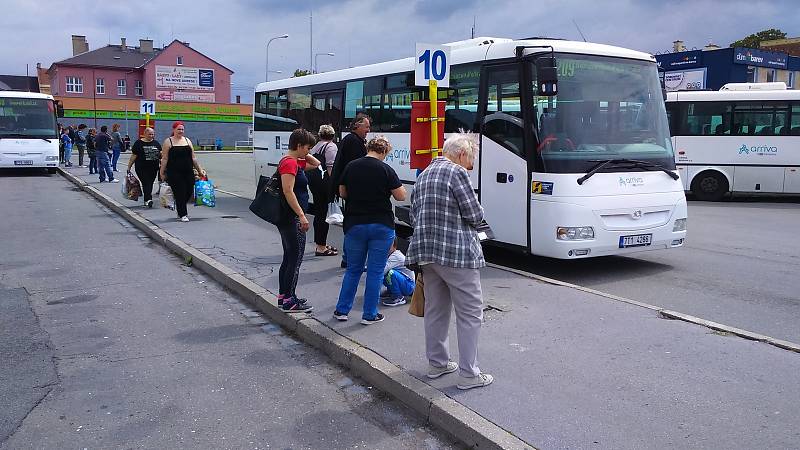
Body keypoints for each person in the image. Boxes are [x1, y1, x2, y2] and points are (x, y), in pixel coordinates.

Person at [406, 133, 493, 390]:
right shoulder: (456, 173)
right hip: (456, 254)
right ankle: (469, 375)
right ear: (463, 154)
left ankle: (438, 364)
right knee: (470, 313)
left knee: (436, 309)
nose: (470, 166)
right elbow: (474, 214)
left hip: (427, 253)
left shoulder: (425, 174)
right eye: (471, 160)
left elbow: (414, 213)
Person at [333, 135, 406, 325]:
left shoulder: (351, 166)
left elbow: (342, 192)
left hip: (355, 224)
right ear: (383, 151)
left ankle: (342, 311)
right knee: (375, 271)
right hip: (381, 226)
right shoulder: (386, 169)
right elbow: (400, 196)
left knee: (353, 271)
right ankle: (369, 314)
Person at [274, 128, 319, 313]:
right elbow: (288, 190)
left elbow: (316, 164)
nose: (309, 152)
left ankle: (284, 296)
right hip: (292, 218)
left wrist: (304, 154)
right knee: (295, 259)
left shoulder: (291, 161)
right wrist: (301, 215)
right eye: (307, 148)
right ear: (299, 146)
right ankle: (289, 300)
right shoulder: (290, 164)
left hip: (287, 217)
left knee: (289, 257)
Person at [330, 114, 370, 267]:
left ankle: (347, 258)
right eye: (366, 127)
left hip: (349, 189)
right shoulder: (354, 142)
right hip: (355, 191)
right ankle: (350, 258)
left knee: (351, 223)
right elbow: (357, 168)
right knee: (355, 224)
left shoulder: (350, 139)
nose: (368, 130)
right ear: (357, 126)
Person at [160, 121, 205, 222]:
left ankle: (180, 206)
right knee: (180, 192)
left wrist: (200, 170)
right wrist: (162, 172)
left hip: (188, 171)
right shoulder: (168, 141)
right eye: (178, 129)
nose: (181, 131)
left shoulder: (187, 140)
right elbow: (164, 158)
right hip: (174, 172)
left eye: (182, 129)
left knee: (188, 191)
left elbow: (193, 158)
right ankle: (183, 214)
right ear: (174, 130)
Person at [307, 124, 339, 257]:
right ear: (332, 135)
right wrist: (334, 186)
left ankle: (321, 243)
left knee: (319, 212)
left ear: (320, 135)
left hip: (315, 183)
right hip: (324, 184)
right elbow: (331, 169)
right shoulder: (331, 147)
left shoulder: (316, 146)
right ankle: (321, 247)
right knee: (323, 215)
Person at [127, 127, 161, 208]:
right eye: (149, 134)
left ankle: (147, 199)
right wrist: (129, 166)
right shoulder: (138, 143)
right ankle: (148, 199)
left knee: (150, 183)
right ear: (145, 134)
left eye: (153, 134)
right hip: (141, 168)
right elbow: (134, 156)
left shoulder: (156, 143)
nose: (151, 136)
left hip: (153, 168)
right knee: (146, 182)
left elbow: (161, 154)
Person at [382, 239, 415, 307]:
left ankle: (398, 297)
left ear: (394, 246)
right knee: (386, 273)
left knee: (390, 273)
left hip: (409, 286)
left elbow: (382, 271)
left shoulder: (395, 256)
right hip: (405, 283)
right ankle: (391, 291)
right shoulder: (390, 255)